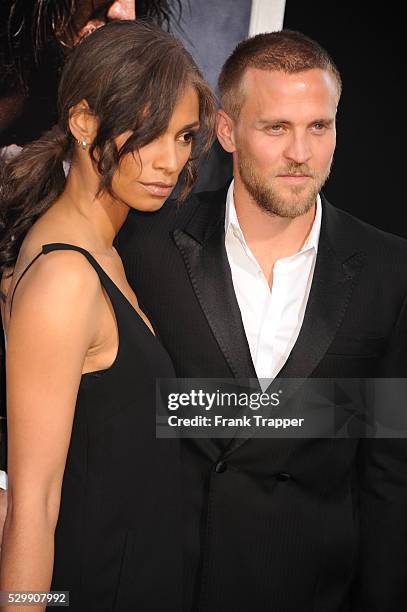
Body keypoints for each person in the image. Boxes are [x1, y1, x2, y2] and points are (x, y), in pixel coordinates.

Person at [116, 31, 407, 611]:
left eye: (318, 127)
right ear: (226, 131)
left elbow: (390, 471)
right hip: (166, 583)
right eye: (276, 128)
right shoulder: (147, 248)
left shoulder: (389, 268)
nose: (300, 152)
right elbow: (113, 411)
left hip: (308, 588)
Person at [0, 19, 215, 611]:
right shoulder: (66, 275)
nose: (169, 161)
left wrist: (359, 410)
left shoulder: (109, 254)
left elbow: (137, 417)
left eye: (183, 136)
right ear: (84, 121)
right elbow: (32, 505)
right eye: (147, 133)